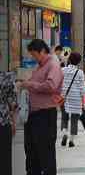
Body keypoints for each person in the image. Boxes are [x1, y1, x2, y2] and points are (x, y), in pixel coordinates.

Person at [20, 39, 64, 175]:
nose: (33, 58)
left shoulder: (53, 65)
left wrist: (30, 85)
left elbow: (51, 86)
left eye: (34, 54)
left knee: (45, 152)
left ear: (42, 51)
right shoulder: (40, 66)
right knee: (32, 151)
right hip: (33, 115)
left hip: (45, 115)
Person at [60, 53, 85, 148]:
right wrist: (84, 102)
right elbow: (82, 88)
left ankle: (65, 133)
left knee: (64, 117)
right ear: (79, 61)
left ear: (69, 59)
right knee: (74, 119)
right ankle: (71, 140)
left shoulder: (62, 70)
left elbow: (59, 83)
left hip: (64, 97)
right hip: (76, 98)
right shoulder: (80, 72)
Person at [0, 49, 17, 175]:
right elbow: (12, 104)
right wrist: (13, 122)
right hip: (3, 123)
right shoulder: (6, 78)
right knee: (5, 159)